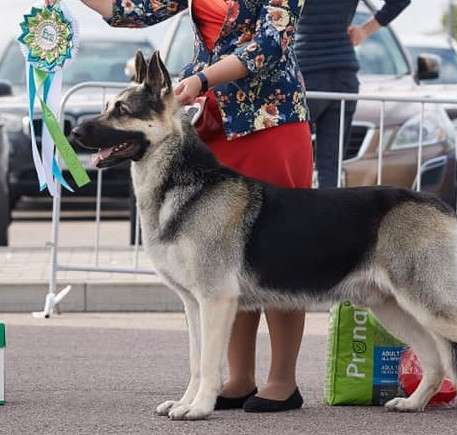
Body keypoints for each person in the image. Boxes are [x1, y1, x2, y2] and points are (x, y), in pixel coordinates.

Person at [46, 0, 312, 412]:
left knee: (281, 250)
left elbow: (270, 42)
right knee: (220, 259)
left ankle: (282, 380)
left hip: (269, 119)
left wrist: (202, 78)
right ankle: (238, 377)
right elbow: (134, 8)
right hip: (211, 121)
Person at [295, 0, 411, 188]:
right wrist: (365, 30)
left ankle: (296, 215)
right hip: (343, 77)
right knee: (331, 166)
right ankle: (328, 216)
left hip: (304, 75)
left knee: (295, 159)